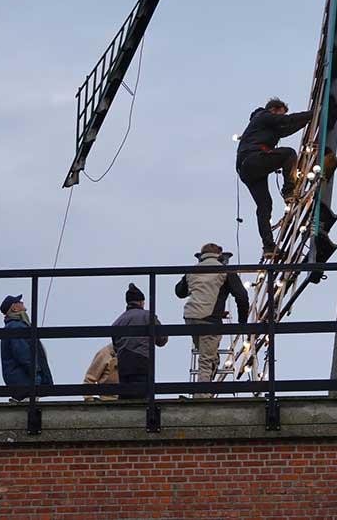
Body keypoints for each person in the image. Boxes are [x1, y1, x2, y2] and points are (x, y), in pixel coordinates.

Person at [235, 97, 312, 258]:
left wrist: (306, 121)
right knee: (288, 154)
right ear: (274, 110)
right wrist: (313, 113)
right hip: (253, 158)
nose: (282, 118)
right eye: (281, 114)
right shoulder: (263, 116)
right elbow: (287, 121)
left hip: (247, 169)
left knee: (264, 206)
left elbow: (287, 128)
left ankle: (268, 246)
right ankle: (288, 190)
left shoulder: (267, 127)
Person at [175, 243, 249, 396]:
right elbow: (241, 296)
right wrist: (243, 323)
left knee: (208, 355)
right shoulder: (224, 271)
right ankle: (201, 396)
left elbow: (180, 291)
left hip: (190, 316)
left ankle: (205, 389)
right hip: (209, 319)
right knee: (206, 359)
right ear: (220, 254)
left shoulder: (193, 270)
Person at [111, 283, 167, 400]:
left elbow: (115, 347)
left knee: (126, 399)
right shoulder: (147, 316)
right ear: (141, 302)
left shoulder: (117, 321)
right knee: (143, 399)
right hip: (142, 361)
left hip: (123, 364)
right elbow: (162, 340)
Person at [0, 294, 53, 402]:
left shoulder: (15, 326)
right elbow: (23, 354)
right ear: (14, 308)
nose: (23, 303)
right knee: (29, 408)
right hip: (25, 380)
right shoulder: (16, 326)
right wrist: (36, 372)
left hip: (22, 379)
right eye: (19, 302)